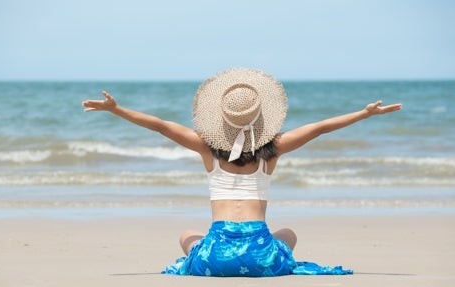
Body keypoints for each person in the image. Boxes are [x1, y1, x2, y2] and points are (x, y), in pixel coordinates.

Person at [82, 68, 402, 277]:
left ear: (219, 121)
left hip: (214, 258)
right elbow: (318, 128)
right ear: (261, 118)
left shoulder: (206, 148)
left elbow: (162, 126)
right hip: (260, 255)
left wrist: (116, 110)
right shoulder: (273, 150)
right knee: (288, 234)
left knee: (186, 235)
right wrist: (364, 113)